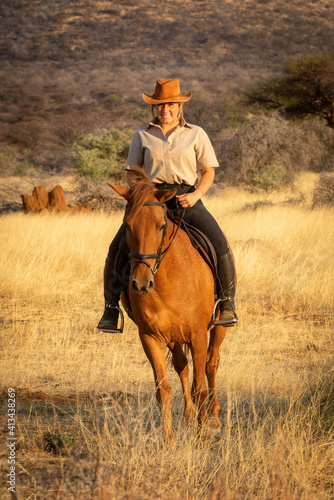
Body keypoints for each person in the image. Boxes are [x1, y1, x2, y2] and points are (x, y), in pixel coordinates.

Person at [97, 78, 238, 333]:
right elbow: (132, 173)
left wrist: (195, 195)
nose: (165, 110)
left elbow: (208, 171)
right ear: (154, 108)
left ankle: (227, 303)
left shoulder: (196, 133)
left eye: (170, 105)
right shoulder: (141, 135)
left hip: (185, 197)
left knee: (219, 242)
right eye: (160, 106)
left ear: (179, 106)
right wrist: (142, 195)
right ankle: (111, 308)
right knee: (116, 248)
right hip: (150, 200)